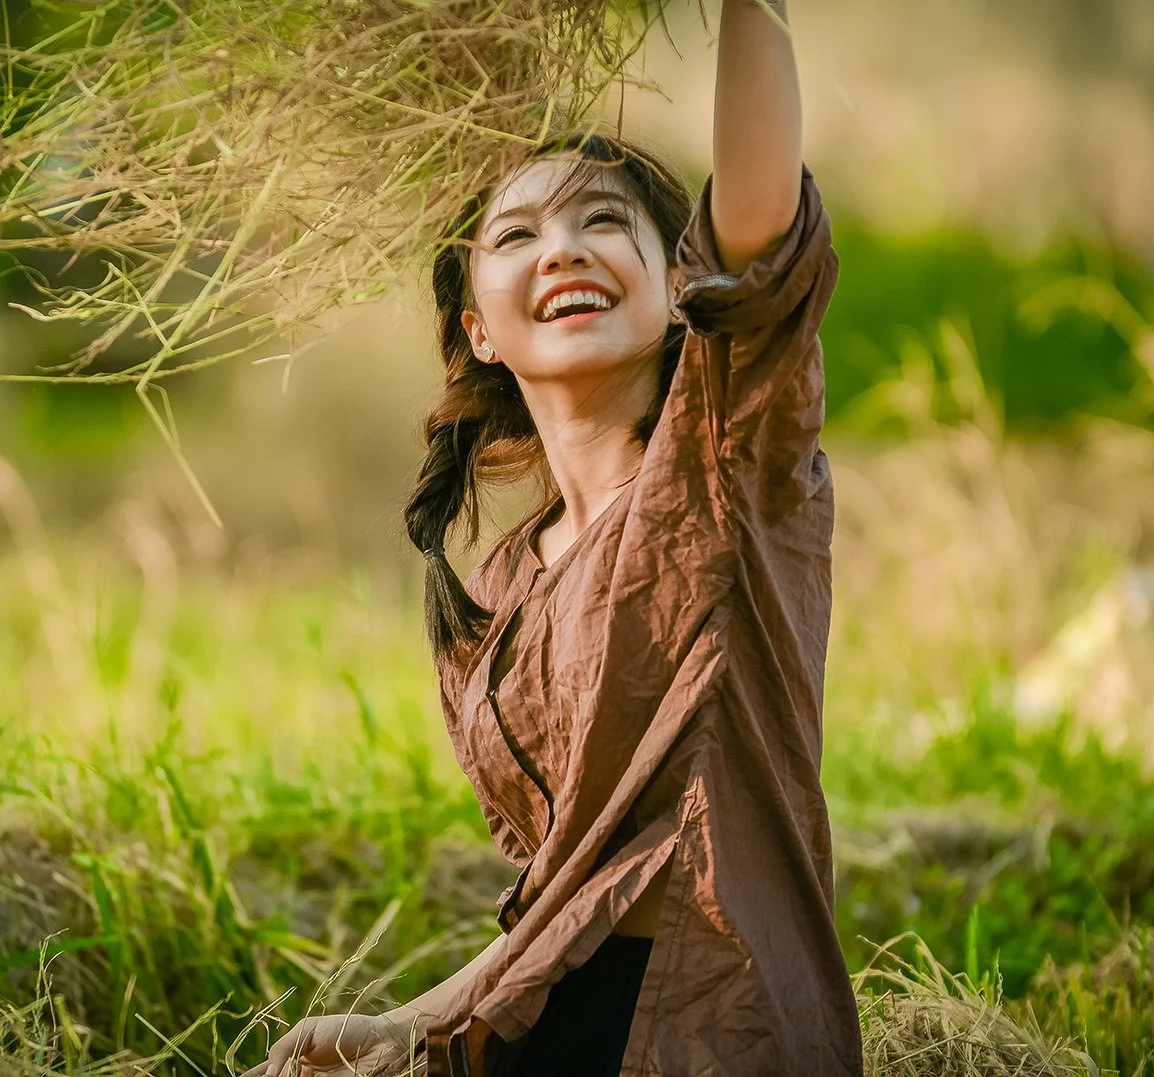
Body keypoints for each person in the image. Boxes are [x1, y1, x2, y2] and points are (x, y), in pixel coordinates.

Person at [243, 1, 862, 1073]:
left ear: (680, 288)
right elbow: (564, 908)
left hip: (711, 1031)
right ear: (479, 326)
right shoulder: (493, 591)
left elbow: (761, 227)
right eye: (518, 235)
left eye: (605, 222)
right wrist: (406, 1026)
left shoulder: (725, 461)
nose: (563, 250)